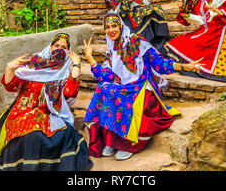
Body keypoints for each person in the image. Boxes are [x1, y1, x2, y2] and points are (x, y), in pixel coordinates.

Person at [83, 13, 203, 161]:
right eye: (107, 27)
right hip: (124, 89)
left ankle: (128, 143)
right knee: (103, 88)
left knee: (114, 92)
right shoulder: (111, 51)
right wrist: (90, 59)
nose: (110, 30)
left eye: (114, 25)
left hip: (141, 88)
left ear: (121, 26)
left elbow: (159, 63)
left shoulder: (138, 42)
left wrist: (185, 66)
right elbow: (106, 77)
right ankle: (112, 140)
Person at [0, 32, 93, 171]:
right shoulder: (34, 64)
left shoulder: (64, 71)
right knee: (24, 137)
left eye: (63, 47)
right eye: (56, 45)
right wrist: (10, 67)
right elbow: (11, 85)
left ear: (68, 51)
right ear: (50, 47)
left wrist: (76, 64)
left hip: (46, 113)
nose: (58, 49)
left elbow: (69, 92)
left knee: (44, 136)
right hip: (22, 111)